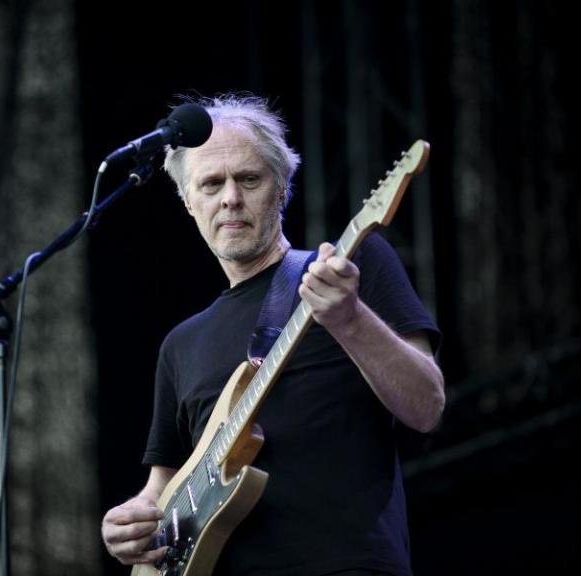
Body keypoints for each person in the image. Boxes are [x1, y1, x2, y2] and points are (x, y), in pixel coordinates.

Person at [101, 94, 445, 575]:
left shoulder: (353, 267)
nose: (230, 198)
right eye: (211, 183)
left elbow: (427, 406)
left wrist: (349, 319)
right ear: (187, 202)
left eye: (249, 179)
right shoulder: (180, 345)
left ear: (282, 188)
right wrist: (132, 524)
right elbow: (164, 487)